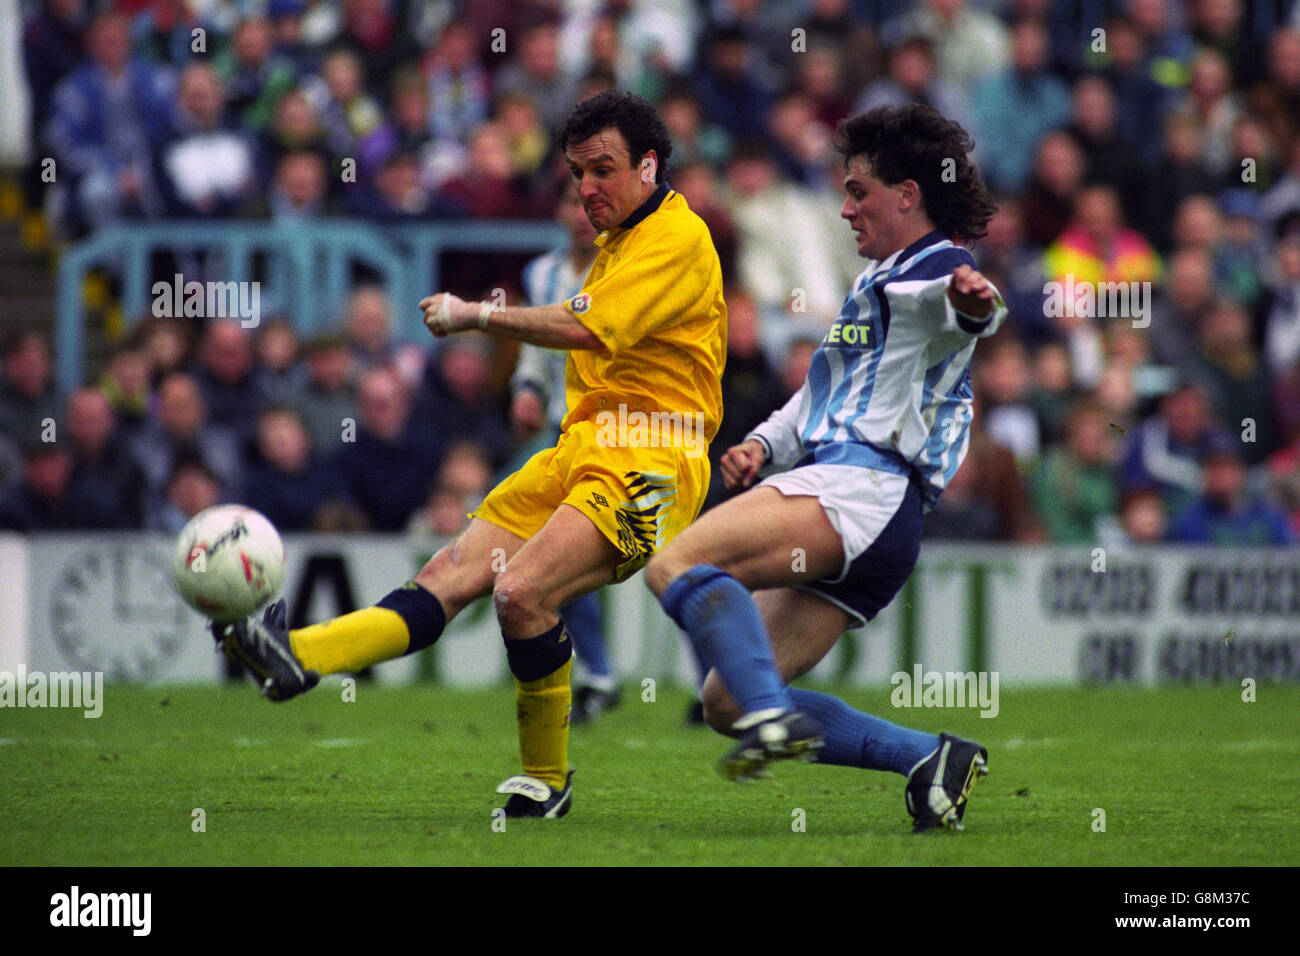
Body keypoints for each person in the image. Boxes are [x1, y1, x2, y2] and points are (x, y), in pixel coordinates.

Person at [214, 90, 726, 818]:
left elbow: (587, 329)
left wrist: (477, 314)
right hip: (579, 445)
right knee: (449, 573)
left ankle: (547, 780)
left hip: (654, 463)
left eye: (602, 170)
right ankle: (296, 655)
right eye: (577, 173)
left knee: (520, 592)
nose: (586, 189)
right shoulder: (614, 243)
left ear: (649, 165)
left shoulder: (677, 237)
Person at [643, 104, 1003, 833]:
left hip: (857, 489)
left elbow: (962, 307)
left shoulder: (936, 267)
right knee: (724, 700)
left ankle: (773, 716)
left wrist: (972, 304)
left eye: (858, 192)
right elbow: (822, 392)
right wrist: (763, 446)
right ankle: (929, 757)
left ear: (908, 194)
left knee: (675, 561)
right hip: (880, 521)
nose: (845, 208)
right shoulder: (881, 277)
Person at [510, 175, 620, 724]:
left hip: (618, 436)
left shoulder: (626, 267)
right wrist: (526, 388)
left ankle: (705, 686)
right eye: (568, 201)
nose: (580, 213)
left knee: (663, 563)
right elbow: (536, 342)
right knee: (552, 554)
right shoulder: (542, 273)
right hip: (560, 432)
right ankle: (596, 673)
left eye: (588, 203)